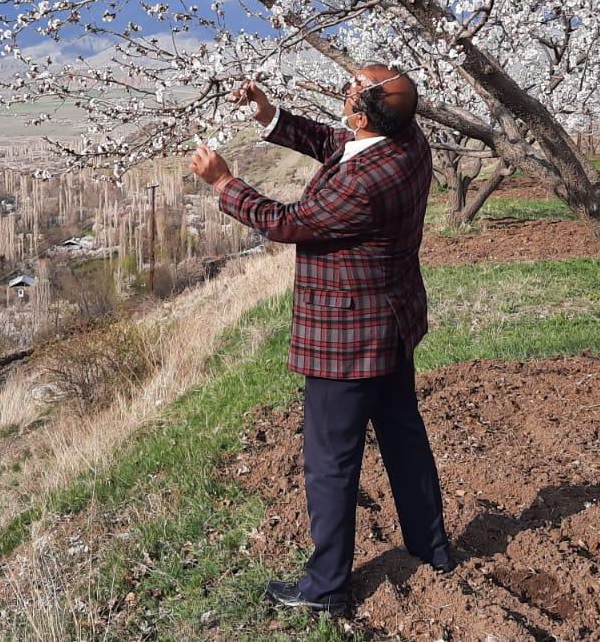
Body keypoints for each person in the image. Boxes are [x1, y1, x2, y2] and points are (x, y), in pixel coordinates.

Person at [189, 65, 456, 618]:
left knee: (330, 461)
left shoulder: (362, 185)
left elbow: (286, 221)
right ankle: (432, 548)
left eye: (353, 89)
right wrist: (271, 117)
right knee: (404, 439)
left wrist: (223, 183)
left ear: (362, 116)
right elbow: (337, 143)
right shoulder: (407, 141)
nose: (346, 90)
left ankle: (326, 585)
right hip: (391, 322)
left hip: (347, 336)